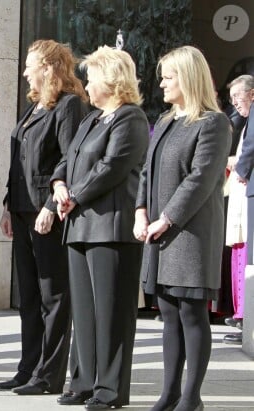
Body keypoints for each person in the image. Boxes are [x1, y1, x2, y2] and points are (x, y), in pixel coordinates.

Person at [134, 45, 231, 411]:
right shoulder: (166, 120)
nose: (161, 83)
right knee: (168, 313)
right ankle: (169, 392)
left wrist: (166, 218)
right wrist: (141, 211)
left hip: (189, 233)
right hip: (159, 232)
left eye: (168, 77)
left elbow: (200, 179)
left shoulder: (213, 123)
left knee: (192, 313)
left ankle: (191, 397)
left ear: (187, 78)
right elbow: (147, 171)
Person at [53, 46, 149, 409]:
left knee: (111, 312)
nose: (86, 85)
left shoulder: (131, 118)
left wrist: (74, 195)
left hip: (111, 227)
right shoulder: (91, 119)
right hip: (78, 226)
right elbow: (67, 159)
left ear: (110, 80)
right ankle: (82, 381)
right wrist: (59, 186)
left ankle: (109, 390)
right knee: (85, 311)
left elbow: (112, 167)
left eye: (91, 78)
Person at [0, 40, 88, 395]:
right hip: (21, 210)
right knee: (30, 297)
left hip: (45, 212)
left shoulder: (68, 106)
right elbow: (20, 161)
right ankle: (28, 368)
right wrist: (8, 204)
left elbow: (69, 159)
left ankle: (49, 374)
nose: (23, 72)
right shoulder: (34, 107)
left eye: (29, 65)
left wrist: (51, 205)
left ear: (49, 67)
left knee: (54, 295)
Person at [227, 74, 254, 345]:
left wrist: (242, 169)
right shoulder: (242, 119)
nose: (235, 103)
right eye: (232, 98)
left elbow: (251, 145)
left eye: (239, 96)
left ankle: (246, 317)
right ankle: (242, 316)